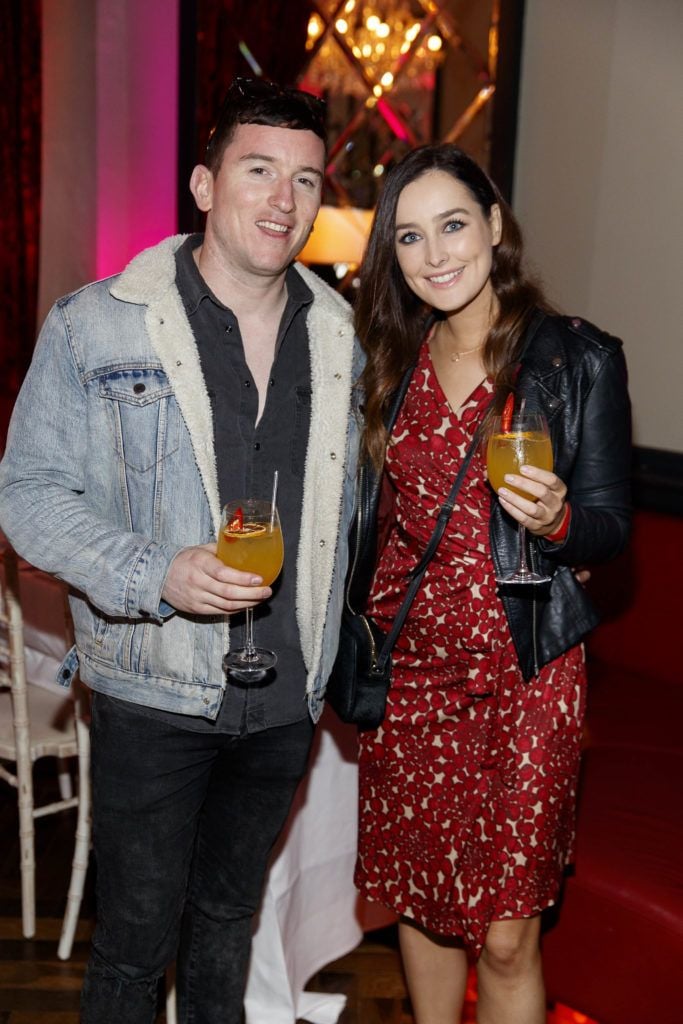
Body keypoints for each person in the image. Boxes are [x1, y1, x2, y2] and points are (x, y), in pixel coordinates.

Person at [0, 77, 362, 1024]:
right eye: (257, 170)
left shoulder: (340, 334)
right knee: (132, 952)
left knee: (226, 931)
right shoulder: (97, 323)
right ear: (203, 186)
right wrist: (152, 573)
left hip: (285, 698)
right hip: (152, 689)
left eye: (306, 179)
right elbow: (26, 497)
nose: (284, 200)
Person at [351, 144, 631, 1024]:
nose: (435, 254)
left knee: (509, 934)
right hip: (411, 672)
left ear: (495, 228)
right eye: (409, 236)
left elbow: (609, 528)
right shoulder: (384, 362)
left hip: (526, 670)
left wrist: (556, 523)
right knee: (426, 903)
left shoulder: (575, 357)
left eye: (453, 225)